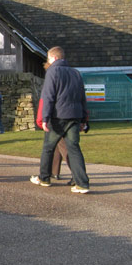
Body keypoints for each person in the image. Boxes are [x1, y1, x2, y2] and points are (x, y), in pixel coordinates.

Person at [30, 46, 90, 193]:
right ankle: (82, 183)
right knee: (74, 148)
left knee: (48, 148)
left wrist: (45, 117)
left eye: (49, 58)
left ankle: (44, 178)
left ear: (54, 58)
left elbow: (48, 96)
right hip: (75, 116)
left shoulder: (52, 72)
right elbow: (82, 97)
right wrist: (84, 119)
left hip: (58, 116)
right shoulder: (76, 73)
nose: (48, 61)